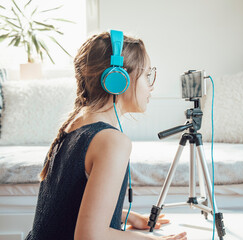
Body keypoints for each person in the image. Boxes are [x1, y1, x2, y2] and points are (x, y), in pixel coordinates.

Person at [25, 31, 187, 240]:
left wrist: (130, 218)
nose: (151, 85)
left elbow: (70, 203)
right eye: (147, 75)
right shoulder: (111, 141)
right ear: (119, 80)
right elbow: (90, 236)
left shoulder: (74, 125)